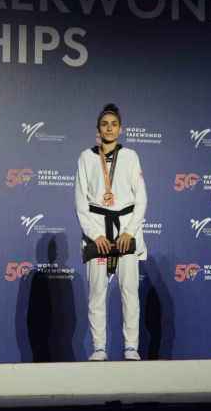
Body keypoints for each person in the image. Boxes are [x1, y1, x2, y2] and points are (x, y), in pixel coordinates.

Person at [75, 103, 147, 361]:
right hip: (98, 234)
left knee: (129, 292)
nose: (109, 128)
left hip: (125, 231)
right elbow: (80, 202)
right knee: (97, 293)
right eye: (105, 124)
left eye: (114, 124)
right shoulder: (86, 157)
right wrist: (95, 235)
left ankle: (131, 347)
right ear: (98, 129)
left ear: (120, 129)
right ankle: (99, 348)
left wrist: (129, 231)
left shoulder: (130, 156)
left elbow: (142, 199)